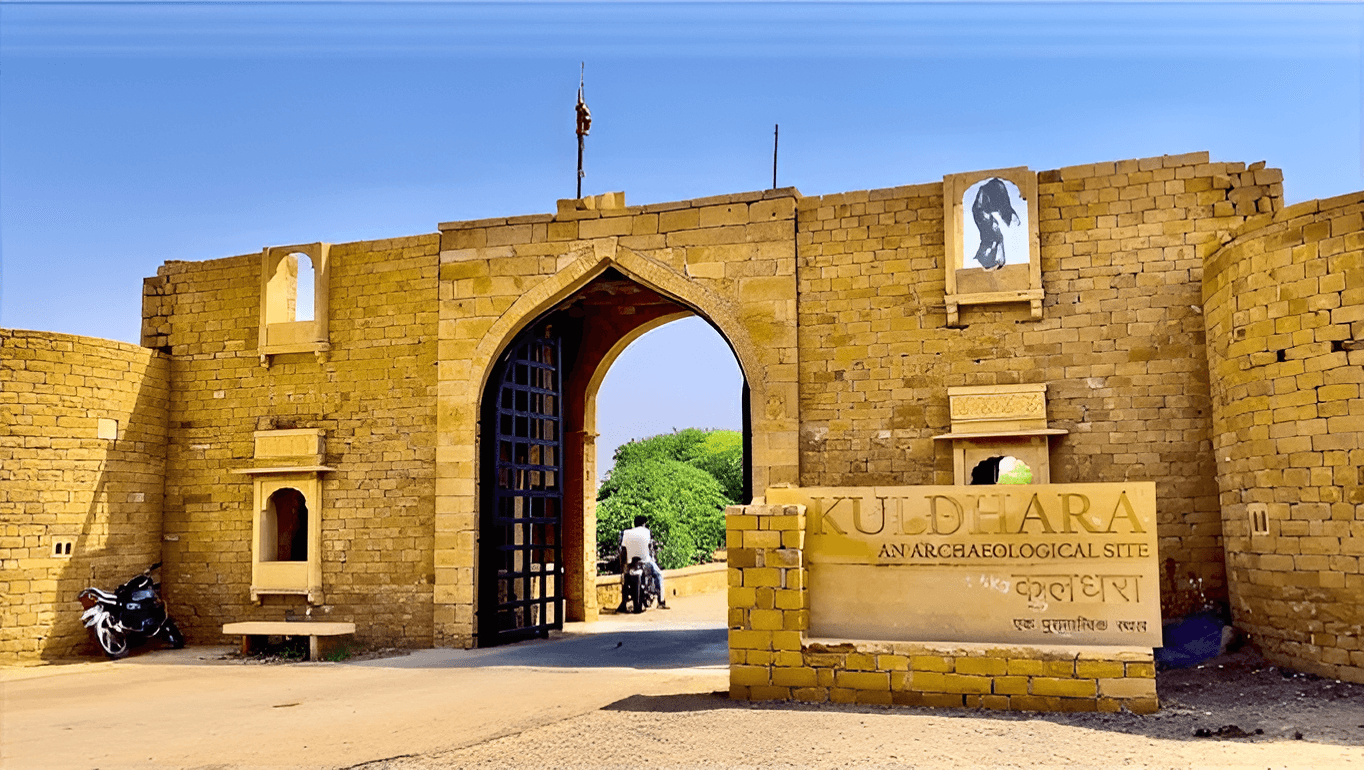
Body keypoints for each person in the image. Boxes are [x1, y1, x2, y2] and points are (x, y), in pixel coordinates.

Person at [616, 515, 668, 610]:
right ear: (644, 524)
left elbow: (623, 551)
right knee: (659, 575)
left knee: (625, 579)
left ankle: (623, 602)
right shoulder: (647, 532)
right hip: (645, 562)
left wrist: (623, 565)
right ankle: (661, 601)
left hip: (630, 563)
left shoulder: (627, 533)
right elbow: (650, 547)